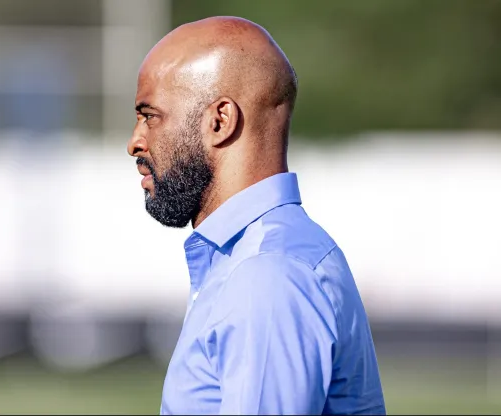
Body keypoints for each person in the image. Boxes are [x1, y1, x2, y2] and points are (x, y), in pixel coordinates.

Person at [127, 16, 386, 415]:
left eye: (150, 115)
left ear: (220, 121)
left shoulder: (267, 274)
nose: (135, 142)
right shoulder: (256, 259)